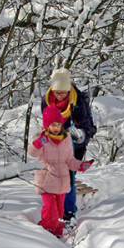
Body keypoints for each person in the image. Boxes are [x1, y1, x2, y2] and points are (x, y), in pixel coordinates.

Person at [40, 67, 97, 223]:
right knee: (54, 175)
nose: (59, 96)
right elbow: (46, 122)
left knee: (68, 176)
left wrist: (79, 135)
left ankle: (69, 212)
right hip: (53, 142)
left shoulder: (78, 100)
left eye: (63, 93)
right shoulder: (46, 101)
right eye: (57, 93)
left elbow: (86, 127)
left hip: (73, 144)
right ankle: (54, 209)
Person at [28, 105, 93, 237]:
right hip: (46, 181)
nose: (56, 128)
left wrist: (81, 165)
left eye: (58, 124)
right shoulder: (42, 138)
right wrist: (38, 143)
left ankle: (57, 236)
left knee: (59, 214)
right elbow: (33, 153)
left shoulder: (66, 139)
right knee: (50, 213)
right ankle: (42, 234)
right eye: (52, 125)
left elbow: (70, 161)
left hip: (62, 182)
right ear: (47, 125)